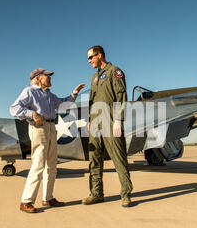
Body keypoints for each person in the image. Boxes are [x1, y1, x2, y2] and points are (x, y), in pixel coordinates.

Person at [10, 68, 85, 213]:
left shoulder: (49, 94)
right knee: (38, 165)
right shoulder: (29, 92)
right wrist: (31, 113)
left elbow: (63, 104)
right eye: (47, 76)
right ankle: (26, 201)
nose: (50, 78)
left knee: (51, 165)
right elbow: (14, 109)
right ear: (37, 78)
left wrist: (74, 94)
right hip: (38, 128)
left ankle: (48, 198)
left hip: (51, 128)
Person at [83, 45, 134, 207]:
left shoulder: (115, 72)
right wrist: (90, 119)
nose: (89, 61)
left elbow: (121, 96)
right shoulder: (94, 77)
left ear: (100, 55)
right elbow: (92, 101)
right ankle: (96, 193)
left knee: (118, 157)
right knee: (94, 159)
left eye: (91, 57)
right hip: (96, 122)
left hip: (111, 120)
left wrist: (119, 119)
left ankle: (126, 194)